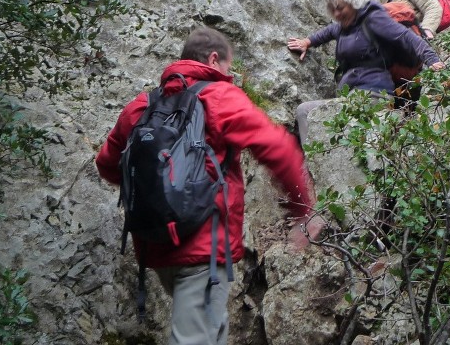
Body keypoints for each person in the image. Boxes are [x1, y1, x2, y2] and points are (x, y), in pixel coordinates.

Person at [96, 27, 321, 345]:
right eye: (228, 68)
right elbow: (278, 147)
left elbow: (107, 164)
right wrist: (302, 211)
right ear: (214, 59)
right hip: (202, 244)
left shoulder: (142, 105)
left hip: (156, 244)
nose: (228, 74)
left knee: (208, 333)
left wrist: (161, 195)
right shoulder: (219, 97)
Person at [287, 0, 444, 143]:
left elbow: (406, 37)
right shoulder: (344, 26)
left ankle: (312, 167)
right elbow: (328, 32)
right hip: (351, 96)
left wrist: (432, 59)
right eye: (333, 10)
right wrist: (307, 41)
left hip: (373, 94)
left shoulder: (373, 19)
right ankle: (311, 166)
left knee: (311, 114)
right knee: (303, 111)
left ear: (352, 2)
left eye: (340, 8)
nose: (337, 14)